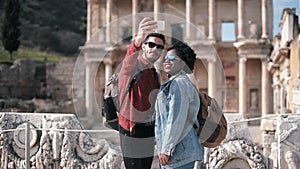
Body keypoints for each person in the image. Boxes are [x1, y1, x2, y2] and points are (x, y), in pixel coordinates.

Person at [118, 17, 166, 169]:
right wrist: (137, 41)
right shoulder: (134, 66)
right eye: (151, 44)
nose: (155, 49)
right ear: (144, 47)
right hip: (131, 128)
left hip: (147, 128)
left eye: (159, 47)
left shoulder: (153, 73)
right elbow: (127, 63)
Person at [155, 41, 204, 169]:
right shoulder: (175, 84)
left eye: (171, 58)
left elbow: (176, 118)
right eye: (165, 58)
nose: (166, 61)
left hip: (181, 153)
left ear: (182, 63)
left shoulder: (179, 84)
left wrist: (166, 149)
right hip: (179, 151)